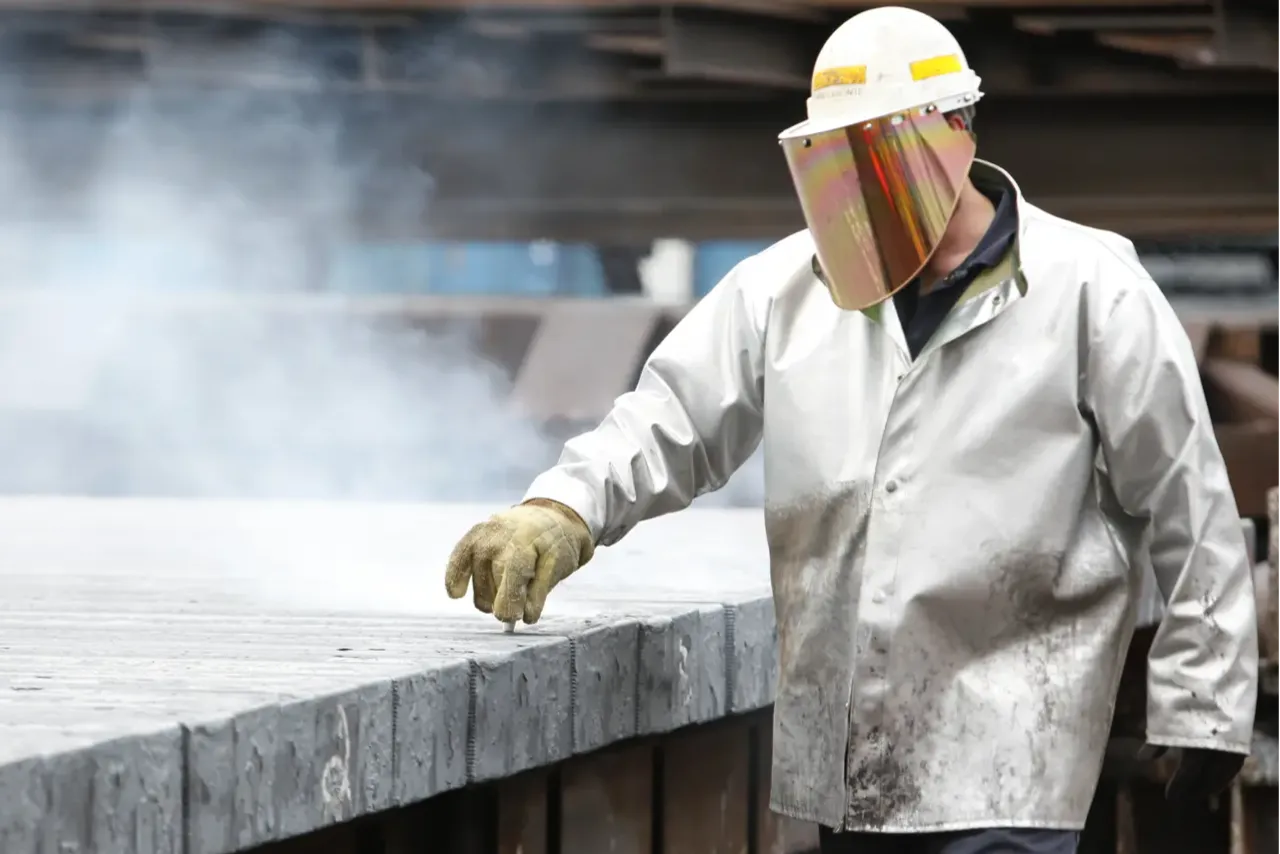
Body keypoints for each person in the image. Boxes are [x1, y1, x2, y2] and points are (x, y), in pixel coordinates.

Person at [444, 6, 1259, 853]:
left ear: (953, 136)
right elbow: (667, 418)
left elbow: (1187, 507)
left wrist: (1204, 708)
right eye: (838, 165)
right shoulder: (785, 291)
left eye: (877, 158)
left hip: (1012, 752)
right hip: (846, 769)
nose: (860, 191)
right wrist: (561, 509)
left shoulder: (1091, 291)